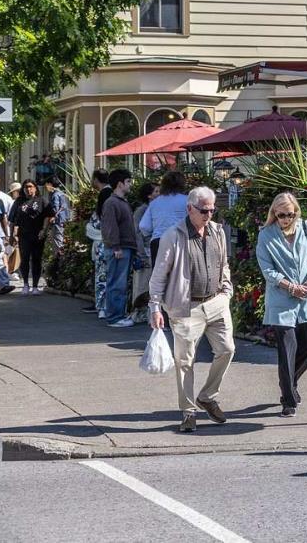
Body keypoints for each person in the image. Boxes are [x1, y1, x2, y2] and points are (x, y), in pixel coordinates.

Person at [149, 186, 234, 434]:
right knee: (185, 361)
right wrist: (155, 306)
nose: (208, 214)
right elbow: (158, 276)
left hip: (216, 301)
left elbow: (224, 263)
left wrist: (227, 291)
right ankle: (188, 412)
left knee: (227, 349)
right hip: (186, 306)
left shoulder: (217, 231)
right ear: (189, 209)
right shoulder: (173, 236)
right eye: (203, 210)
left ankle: (207, 396)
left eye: (211, 209)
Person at [254, 191, 307, 417]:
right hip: (282, 298)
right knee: (286, 350)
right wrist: (289, 286)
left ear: (296, 212)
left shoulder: (306, 228)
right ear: (274, 213)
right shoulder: (266, 235)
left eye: (290, 214)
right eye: (281, 215)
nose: (286, 218)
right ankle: (288, 399)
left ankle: (290, 381)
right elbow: (268, 270)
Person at [99, 171, 139, 325]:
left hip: (124, 247)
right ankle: (115, 317)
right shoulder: (112, 203)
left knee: (119, 283)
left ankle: (118, 315)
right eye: (128, 181)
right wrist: (116, 247)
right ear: (120, 183)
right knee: (117, 283)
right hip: (119, 248)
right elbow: (110, 227)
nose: (130, 184)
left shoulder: (121, 201)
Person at [139, 170, 191, 267]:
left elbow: (144, 226)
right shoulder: (187, 201)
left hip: (158, 242)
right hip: (180, 241)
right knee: (180, 276)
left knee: (159, 279)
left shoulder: (154, 203)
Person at [8, 181, 51, 294]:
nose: (28, 189)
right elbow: (12, 220)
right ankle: (26, 284)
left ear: (35, 188)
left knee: (37, 260)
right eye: (26, 187)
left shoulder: (42, 201)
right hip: (24, 235)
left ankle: (35, 286)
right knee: (25, 259)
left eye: (30, 187)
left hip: (38, 235)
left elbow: (48, 216)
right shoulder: (19, 201)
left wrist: (44, 229)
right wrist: (11, 235)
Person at [88, 169, 112, 317]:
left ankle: (102, 305)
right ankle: (104, 305)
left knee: (102, 274)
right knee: (107, 274)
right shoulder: (110, 193)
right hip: (106, 240)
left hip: (102, 240)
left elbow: (101, 217)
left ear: (96, 179)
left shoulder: (105, 194)